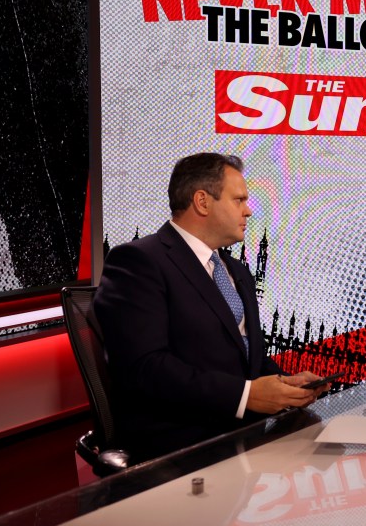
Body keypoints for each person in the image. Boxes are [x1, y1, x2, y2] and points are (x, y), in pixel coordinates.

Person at [94, 153, 328, 459]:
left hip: (249, 438)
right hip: (182, 447)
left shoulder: (236, 270)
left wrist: (285, 384)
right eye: (239, 200)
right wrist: (245, 396)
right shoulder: (139, 262)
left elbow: (244, 357)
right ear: (202, 202)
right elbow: (145, 368)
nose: (249, 210)